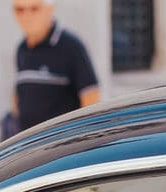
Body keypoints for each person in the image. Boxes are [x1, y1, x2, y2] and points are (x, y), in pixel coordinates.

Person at [11, 0, 100, 133]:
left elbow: (91, 98)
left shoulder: (71, 46)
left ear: (49, 9)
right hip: (29, 147)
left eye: (34, 9)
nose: (26, 16)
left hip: (63, 148)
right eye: (20, 10)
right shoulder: (21, 49)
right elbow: (20, 95)